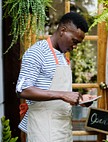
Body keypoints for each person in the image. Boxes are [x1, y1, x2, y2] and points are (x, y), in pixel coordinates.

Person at [16, 12, 96, 142]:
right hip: (43, 129)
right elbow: (23, 90)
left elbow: (54, 91)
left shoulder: (62, 57)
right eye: (74, 41)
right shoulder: (37, 52)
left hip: (62, 128)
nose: (75, 47)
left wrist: (80, 99)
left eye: (78, 44)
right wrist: (63, 95)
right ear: (63, 30)